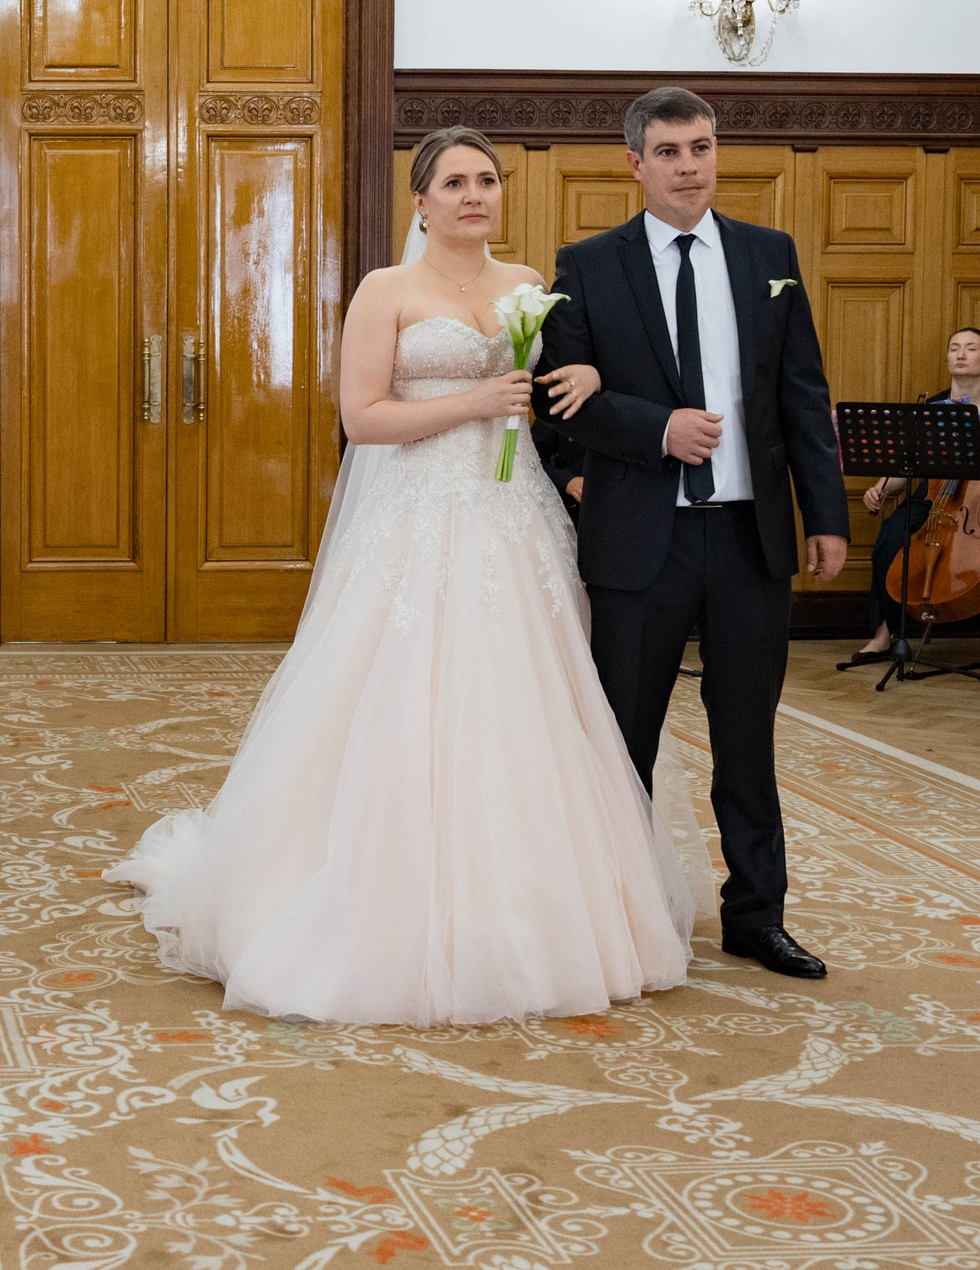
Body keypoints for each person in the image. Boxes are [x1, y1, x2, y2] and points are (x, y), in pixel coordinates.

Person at [108, 129, 688, 1025]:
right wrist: (473, 401)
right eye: (453, 182)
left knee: (523, 702)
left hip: (513, 518)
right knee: (396, 697)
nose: (473, 195)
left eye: (487, 180)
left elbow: (566, 396)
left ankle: (535, 913)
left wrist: (580, 377)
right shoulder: (388, 290)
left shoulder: (530, 282)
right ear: (420, 201)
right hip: (414, 519)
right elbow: (363, 416)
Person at [533, 87, 852, 982]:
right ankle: (620, 917)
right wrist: (656, 428)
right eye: (669, 151)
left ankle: (757, 916)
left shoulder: (768, 255)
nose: (688, 166)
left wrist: (823, 514)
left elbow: (802, 395)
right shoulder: (590, 265)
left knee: (747, 740)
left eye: (701, 147)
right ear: (635, 163)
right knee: (624, 740)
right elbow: (561, 396)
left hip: (751, 538)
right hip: (643, 540)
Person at [850, 326, 980, 675]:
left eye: (971, 348)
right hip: (935, 500)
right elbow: (909, 465)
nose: (961, 355)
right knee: (890, 538)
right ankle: (881, 635)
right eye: (954, 348)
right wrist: (882, 487)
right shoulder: (935, 406)